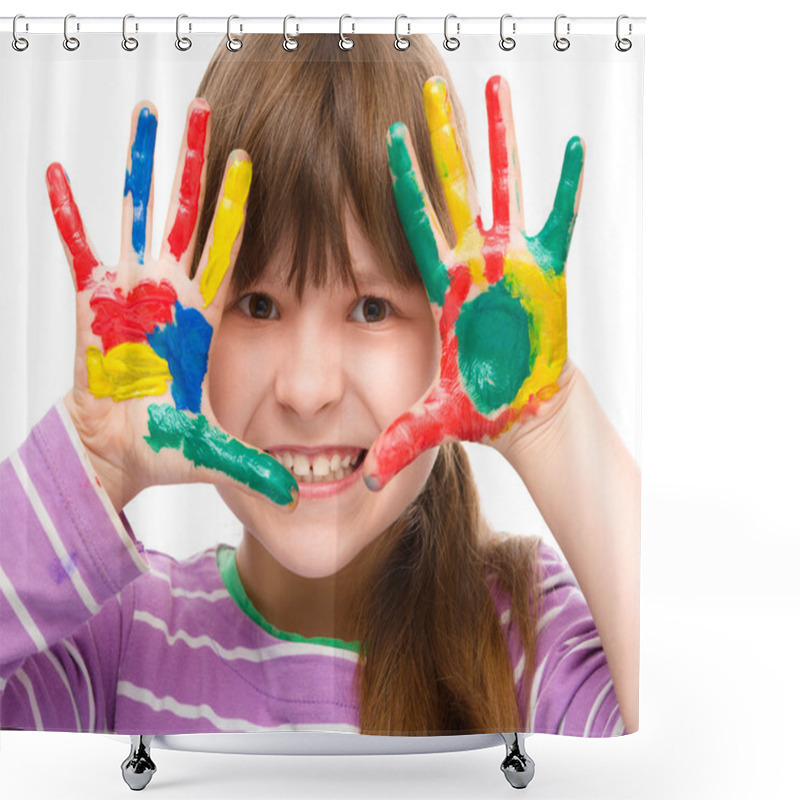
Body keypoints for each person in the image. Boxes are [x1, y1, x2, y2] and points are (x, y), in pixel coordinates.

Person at [0, 34, 639, 737]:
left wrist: (549, 418)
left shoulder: (532, 644)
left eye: (371, 309)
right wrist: (93, 463)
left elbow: (699, 749)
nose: (307, 391)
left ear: (448, 333)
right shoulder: (118, 641)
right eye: (259, 305)